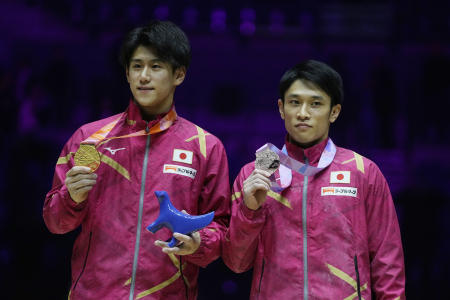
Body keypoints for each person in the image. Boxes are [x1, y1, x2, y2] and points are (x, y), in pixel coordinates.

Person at [43, 20, 230, 300]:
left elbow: (221, 228)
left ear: (178, 74)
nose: (144, 76)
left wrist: (199, 243)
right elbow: (56, 222)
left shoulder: (205, 147)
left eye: (155, 67)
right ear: (127, 74)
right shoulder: (90, 139)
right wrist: (71, 197)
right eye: (136, 66)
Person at [222, 60, 405, 299]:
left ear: (334, 112)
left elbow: (387, 261)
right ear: (281, 108)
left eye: (315, 104)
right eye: (294, 102)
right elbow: (236, 263)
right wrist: (249, 212)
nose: (303, 113)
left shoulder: (363, 172)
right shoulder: (257, 173)